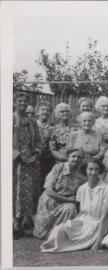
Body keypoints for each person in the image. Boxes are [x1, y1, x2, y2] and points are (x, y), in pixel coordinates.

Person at [40, 158, 108, 252]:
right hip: (82, 221)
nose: (93, 172)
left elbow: (104, 218)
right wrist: (74, 225)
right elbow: (81, 213)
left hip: (97, 225)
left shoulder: (107, 189)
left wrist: (97, 243)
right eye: (90, 169)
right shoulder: (82, 189)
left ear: (100, 171)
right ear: (85, 170)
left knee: (75, 242)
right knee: (59, 229)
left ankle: (79, 241)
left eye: (96, 169)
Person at [33, 148, 86, 239]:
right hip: (50, 200)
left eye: (79, 157)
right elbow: (48, 191)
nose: (76, 159)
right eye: (73, 156)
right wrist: (68, 200)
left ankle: (56, 234)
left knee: (71, 208)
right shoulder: (58, 168)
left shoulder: (82, 177)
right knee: (40, 234)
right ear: (68, 157)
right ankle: (44, 231)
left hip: (65, 204)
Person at [13, 92, 43, 239]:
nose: (23, 104)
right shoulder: (10, 119)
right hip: (16, 162)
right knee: (16, 192)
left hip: (31, 162)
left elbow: (38, 141)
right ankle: (15, 223)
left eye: (25, 101)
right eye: (20, 101)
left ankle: (27, 221)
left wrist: (35, 154)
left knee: (30, 192)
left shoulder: (32, 121)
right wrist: (18, 156)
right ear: (14, 103)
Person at [35, 101, 56, 204]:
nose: (45, 112)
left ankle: (43, 205)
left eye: (48, 110)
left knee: (46, 182)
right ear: (37, 112)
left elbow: (53, 144)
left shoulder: (51, 128)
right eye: (43, 109)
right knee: (35, 182)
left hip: (48, 159)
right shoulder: (33, 125)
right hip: (35, 158)